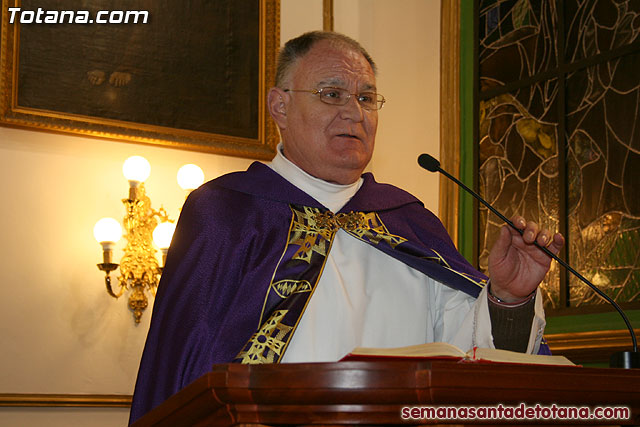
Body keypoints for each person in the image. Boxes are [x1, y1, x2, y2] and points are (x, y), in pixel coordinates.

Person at [128, 31, 564, 423]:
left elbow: (470, 363)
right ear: (279, 106)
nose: (354, 113)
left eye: (367, 98)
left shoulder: (409, 222)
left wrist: (509, 297)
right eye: (332, 94)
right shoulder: (226, 213)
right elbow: (184, 370)